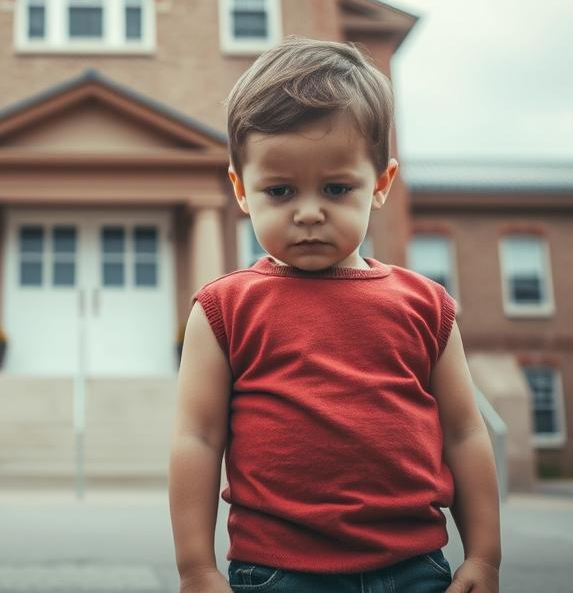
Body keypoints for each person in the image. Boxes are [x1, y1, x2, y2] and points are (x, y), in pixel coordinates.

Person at [169, 37, 501, 593]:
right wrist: (197, 569)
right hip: (279, 573)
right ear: (241, 190)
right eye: (279, 190)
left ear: (381, 184)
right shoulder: (224, 309)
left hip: (415, 567)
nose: (308, 212)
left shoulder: (426, 307)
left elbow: (465, 432)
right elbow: (197, 439)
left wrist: (484, 558)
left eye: (336, 188)